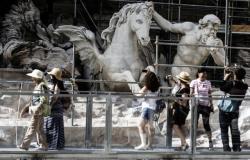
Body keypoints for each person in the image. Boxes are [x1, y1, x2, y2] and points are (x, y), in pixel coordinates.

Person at [153, 9, 228, 79]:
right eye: (211, 29)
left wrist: (214, 52)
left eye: (215, 30)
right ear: (203, 25)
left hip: (193, 73)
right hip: (178, 67)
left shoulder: (216, 42)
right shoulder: (190, 28)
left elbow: (224, 63)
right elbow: (169, 26)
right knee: (177, 91)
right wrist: (153, 13)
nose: (213, 32)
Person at [219, 67, 248, 152]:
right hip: (235, 110)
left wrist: (225, 77)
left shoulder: (231, 84)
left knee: (224, 130)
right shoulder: (245, 86)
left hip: (224, 110)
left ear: (235, 75)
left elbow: (222, 88)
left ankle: (226, 148)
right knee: (234, 130)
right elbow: (233, 89)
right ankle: (236, 147)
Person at [18, 69, 48, 151]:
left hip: (37, 111)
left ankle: (24, 145)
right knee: (39, 129)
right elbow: (34, 99)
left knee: (32, 128)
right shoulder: (38, 86)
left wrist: (38, 107)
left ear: (37, 78)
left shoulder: (41, 86)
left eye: (33, 77)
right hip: (37, 110)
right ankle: (43, 145)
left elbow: (43, 98)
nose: (32, 79)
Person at [134, 71, 160, 150]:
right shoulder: (157, 87)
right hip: (153, 108)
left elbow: (138, 94)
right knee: (150, 127)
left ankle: (143, 144)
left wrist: (140, 91)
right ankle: (149, 145)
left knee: (140, 125)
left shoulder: (147, 87)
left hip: (146, 108)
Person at [190, 68, 213, 150]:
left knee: (206, 124)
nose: (203, 74)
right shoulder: (194, 82)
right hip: (196, 105)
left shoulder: (208, 82)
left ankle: (210, 142)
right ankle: (193, 142)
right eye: (201, 72)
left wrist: (212, 104)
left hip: (205, 105)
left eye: (204, 73)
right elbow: (191, 93)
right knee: (194, 124)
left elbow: (210, 94)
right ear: (198, 73)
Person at [44, 68, 65, 150]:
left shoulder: (57, 86)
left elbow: (55, 97)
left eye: (52, 75)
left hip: (55, 108)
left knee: (55, 126)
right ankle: (49, 144)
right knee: (48, 125)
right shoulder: (51, 83)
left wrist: (49, 106)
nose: (51, 77)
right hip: (51, 107)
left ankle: (55, 145)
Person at [170, 72, 191, 151]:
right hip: (181, 109)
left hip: (181, 110)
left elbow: (184, 102)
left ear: (181, 80)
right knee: (180, 126)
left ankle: (184, 143)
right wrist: (173, 80)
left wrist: (175, 99)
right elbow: (177, 83)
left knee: (175, 126)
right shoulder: (183, 86)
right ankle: (183, 144)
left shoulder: (185, 89)